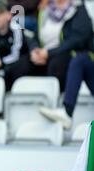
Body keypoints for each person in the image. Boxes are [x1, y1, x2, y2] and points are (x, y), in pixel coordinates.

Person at [38, 0, 94, 129]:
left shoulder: (81, 10)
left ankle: (66, 112)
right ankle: (67, 112)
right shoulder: (77, 9)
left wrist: (50, 52)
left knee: (79, 59)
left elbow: (80, 37)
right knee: (78, 60)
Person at [29, 0, 79, 91]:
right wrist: (34, 50)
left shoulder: (76, 9)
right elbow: (35, 36)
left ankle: (56, 99)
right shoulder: (45, 10)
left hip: (65, 53)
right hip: (44, 52)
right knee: (22, 65)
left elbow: (73, 41)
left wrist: (48, 53)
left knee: (56, 65)